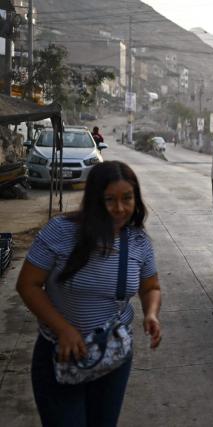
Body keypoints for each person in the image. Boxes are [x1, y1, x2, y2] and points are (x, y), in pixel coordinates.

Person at [16, 160, 162, 427]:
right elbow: (28, 285)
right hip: (61, 355)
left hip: (113, 357)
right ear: (95, 200)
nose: (120, 209)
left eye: (127, 198)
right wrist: (63, 329)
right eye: (109, 200)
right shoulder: (60, 231)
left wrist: (151, 314)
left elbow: (150, 287)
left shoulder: (139, 242)